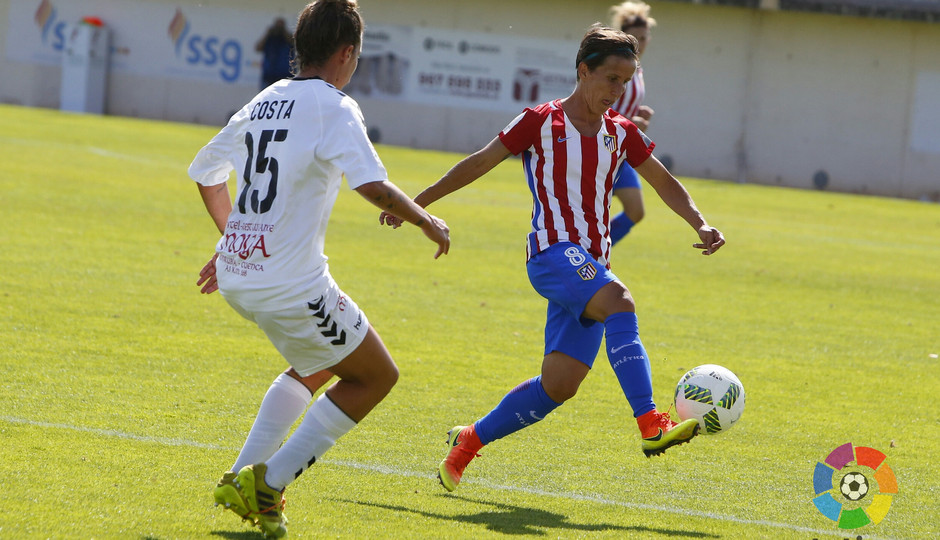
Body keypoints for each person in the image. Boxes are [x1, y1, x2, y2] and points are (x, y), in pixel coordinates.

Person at [381, 23, 725, 492]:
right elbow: (479, 161)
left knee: (558, 386)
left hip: (589, 265)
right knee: (620, 301)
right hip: (551, 253)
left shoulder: (621, 132)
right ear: (583, 71)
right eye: (610, 79)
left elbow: (664, 181)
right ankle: (650, 423)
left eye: (625, 82)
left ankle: (467, 442)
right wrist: (415, 206)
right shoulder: (540, 121)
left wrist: (699, 222)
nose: (617, 91)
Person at [189, 1, 450, 536]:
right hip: (289, 284)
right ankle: (268, 484)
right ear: (347, 53)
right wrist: (426, 220)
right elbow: (371, 185)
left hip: (243, 276)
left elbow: (207, 173)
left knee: (318, 364)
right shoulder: (335, 106)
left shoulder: (265, 99)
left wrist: (235, 240)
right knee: (375, 376)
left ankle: (240, 476)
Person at [608, 1, 657, 245]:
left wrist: (636, 113)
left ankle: (593, 251)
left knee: (635, 211)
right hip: (603, 145)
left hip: (621, 149)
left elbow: (620, 105)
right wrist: (631, 121)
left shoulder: (636, 69)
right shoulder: (614, 67)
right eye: (636, 37)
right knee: (591, 211)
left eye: (644, 37)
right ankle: (586, 253)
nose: (641, 43)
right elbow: (599, 106)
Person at [256, 17, 294, 89]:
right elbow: (258, 48)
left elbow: (293, 43)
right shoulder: (269, 38)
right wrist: (267, 34)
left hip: (285, 76)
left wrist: (284, 32)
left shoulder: (288, 39)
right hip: (269, 76)